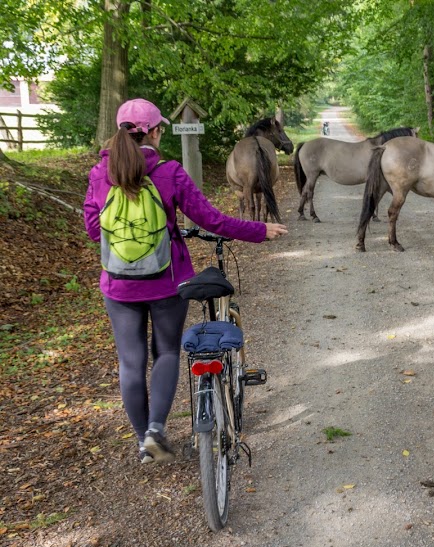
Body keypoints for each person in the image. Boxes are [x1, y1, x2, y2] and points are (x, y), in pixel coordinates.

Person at [83, 98, 288, 464]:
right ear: (156, 132)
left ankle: (141, 441)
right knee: (165, 353)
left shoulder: (101, 173)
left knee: (130, 362)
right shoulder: (169, 172)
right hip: (167, 281)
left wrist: (127, 241)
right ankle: (155, 429)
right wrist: (259, 229)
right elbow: (212, 220)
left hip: (118, 285)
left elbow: (93, 229)